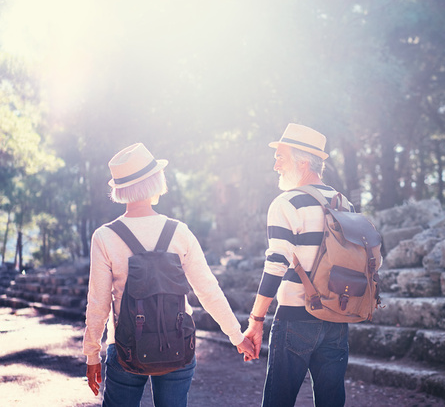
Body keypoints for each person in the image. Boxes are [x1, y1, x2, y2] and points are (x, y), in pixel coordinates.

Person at [83, 143, 254, 406]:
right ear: (156, 181)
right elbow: (207, 289)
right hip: (178, 343)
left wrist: (92, 354)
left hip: (126, 347)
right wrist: (237, 337)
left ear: (119, 189)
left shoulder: (105, 237)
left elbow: (98, 302)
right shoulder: (179, 232)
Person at [243, 123, 353, 407]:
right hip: (337, 317)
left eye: (281, 156)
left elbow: (277, 262)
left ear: (303, 161)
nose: (275, 165)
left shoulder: (287, 202)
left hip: (295, 317)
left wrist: (256, 320)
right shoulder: (345, 204)